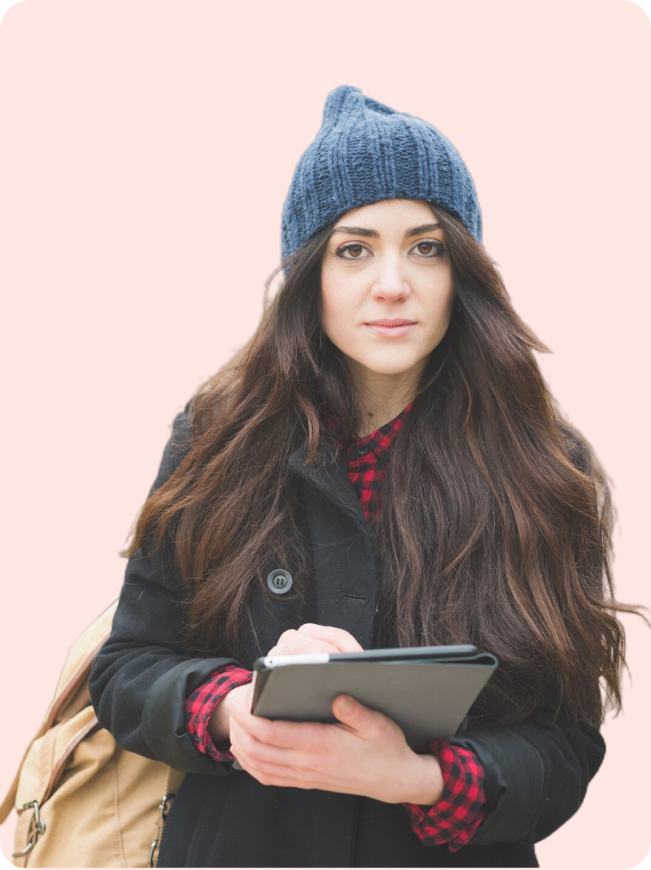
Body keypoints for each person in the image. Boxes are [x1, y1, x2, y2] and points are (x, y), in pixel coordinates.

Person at [89, 84, 646, 868]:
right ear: (311, 272)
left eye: (426, 247)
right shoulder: (219, 437)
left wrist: (418, 779)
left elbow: (561, 747)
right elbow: (125, 671)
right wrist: (231, 707)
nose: (392, 283)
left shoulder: (543, 464)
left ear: (463, 269)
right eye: (354, 249)